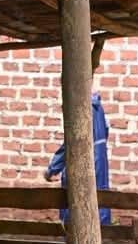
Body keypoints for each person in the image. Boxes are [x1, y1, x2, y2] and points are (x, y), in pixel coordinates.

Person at [44, 93, 112, 225]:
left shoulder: (81, 110)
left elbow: (70, 144)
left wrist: (52, 169)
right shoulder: (99, 107)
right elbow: (106, 130)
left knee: (75, 204)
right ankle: (103, 236)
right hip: (101, 162)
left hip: (83, 162)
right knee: (100, 201)